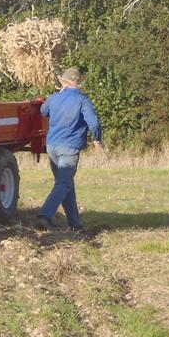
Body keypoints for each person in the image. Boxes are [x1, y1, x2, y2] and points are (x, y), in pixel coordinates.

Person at [38, 67, 103, 231]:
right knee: (63, 183)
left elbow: (42, 111)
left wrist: (59, 97)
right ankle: (45, 216)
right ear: (79, 82)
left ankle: (75, 224)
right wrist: (97, 139)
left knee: (66, 184)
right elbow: (94, 123)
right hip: (69, 146)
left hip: (52, 146)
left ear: (64, 82)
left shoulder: (54, 98)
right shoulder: (83, 100)